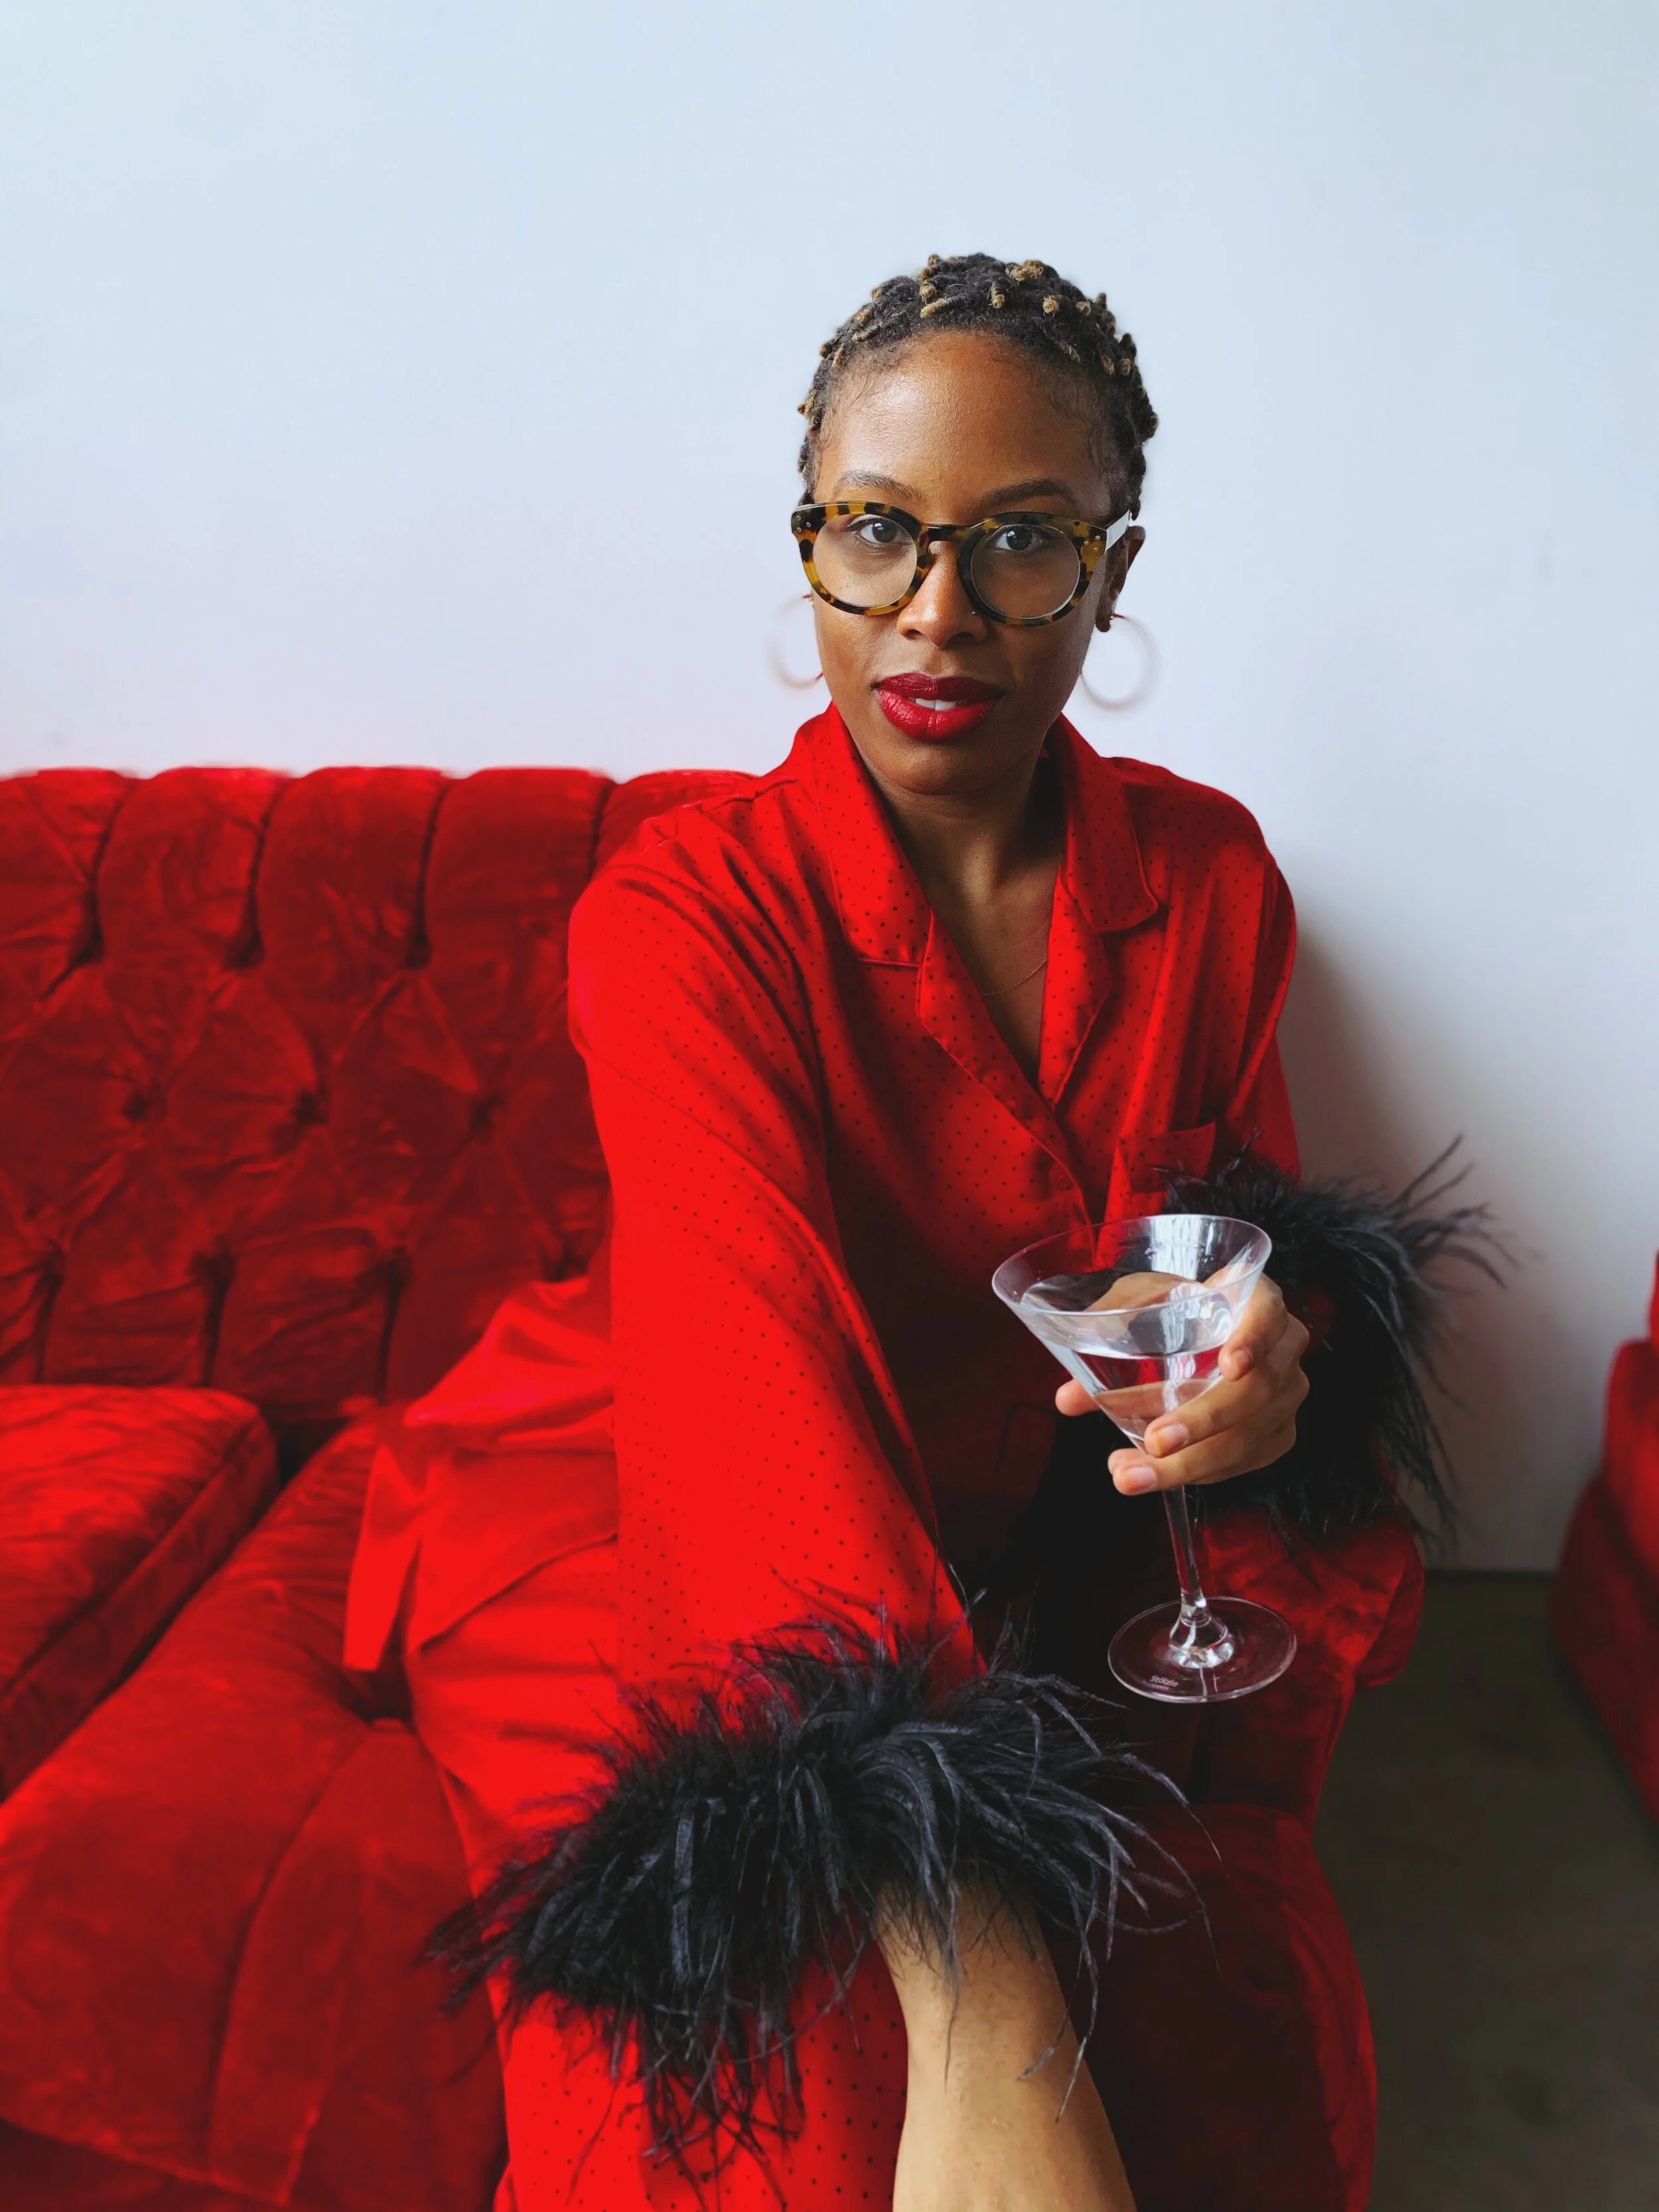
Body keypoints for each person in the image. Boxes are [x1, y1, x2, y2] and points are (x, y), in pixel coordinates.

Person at [344, 252, 1461, 2211]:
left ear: (1109, 571)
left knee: (1196, 2012)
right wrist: (982, 1984)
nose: (935, 611)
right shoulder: (678, 916)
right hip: (631, 1497)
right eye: (876, 531)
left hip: (995, 1524)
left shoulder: (1203, 876)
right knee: (769, 2039)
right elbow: (747, 1392)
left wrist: (1272, 1359)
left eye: (1020, 540)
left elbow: (1217, 1250)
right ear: (809, 550)